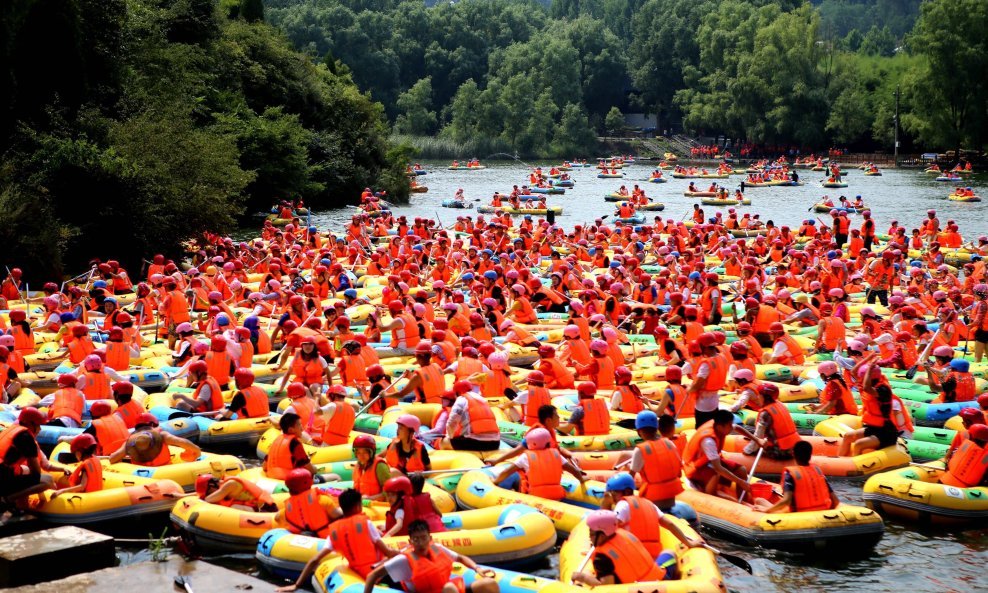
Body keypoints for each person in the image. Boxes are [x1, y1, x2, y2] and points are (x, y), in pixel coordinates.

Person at [275, 488, 398, 592]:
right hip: (378, 575)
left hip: (358, 574)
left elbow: (314, 559)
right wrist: (404, 552)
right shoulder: (366, 523)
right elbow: (388, 553)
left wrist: (296, 585)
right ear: (358, 506)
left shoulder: (334, 532)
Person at [362, 519, 499, 593]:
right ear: (410, 541)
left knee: (489, 584)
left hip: (445, 590)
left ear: (430, 538)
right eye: (416, 539)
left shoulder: (437, 548)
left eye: (423, 538)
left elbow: (460, 558)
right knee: (450, 589)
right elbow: (372, 575)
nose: (420, 543)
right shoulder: (404, 560)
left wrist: (477, 568)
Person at [602, 472, 705, 561]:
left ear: (627, 492)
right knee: (670, 554)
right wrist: (689, 543)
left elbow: (604, 528)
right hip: (651, 559)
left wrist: (605, 504)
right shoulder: (649, 503)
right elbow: (669, 524)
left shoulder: (622, 505)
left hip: (631, 558)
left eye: (614, 494)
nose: (612, 498)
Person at [570, 510, 668, 586]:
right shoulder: (625, 534)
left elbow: (606, 587)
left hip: (636, 589)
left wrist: (582, 577)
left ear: (603, 534)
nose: (589, 537)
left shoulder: (601, 558)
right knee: (669, 553)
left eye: (592, 534)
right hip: (660, 579)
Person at [493, 427, 585, 500]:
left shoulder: (526, 457)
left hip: (536, 497)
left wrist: (495, 482)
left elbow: (506, 472)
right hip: (557, 496)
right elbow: (574, 471)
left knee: (520, 476)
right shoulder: (556, 454)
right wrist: (582, 479)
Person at [0, 408, 61, 511]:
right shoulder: (26, 438)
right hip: (2, 479)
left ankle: (18, 506)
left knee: (25, 471)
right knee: (48, 480)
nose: (40, 429)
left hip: (3, 473)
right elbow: (36, 472)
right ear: (30, 424)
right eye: (38, 425)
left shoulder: (11, 430)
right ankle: (6, 499)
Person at [755, 440, 840, 513]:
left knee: (759, 501)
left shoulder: (790, 474)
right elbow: (835, 500)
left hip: (798, 514)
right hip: (822, 511)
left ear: (793, 454)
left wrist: (766, 511)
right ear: (810, 456)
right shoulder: (818, 472)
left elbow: (786, 501)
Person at [683, 410, 751, 499]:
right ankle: (713, 495)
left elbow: (737, 427)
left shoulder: (720, 425)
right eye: (729, 425)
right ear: (720, 427)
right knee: (716, 474)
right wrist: (740, 482)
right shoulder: (708, 441)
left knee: (741, 470)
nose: (732, 428)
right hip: (695, 467)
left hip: (708, 461)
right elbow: (718, 468)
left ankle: (743, 500)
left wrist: (756, 439)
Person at [627, 411, 684, 512]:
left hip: (653, 500)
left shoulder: (640, 450)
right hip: (671, 497)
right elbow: (678, 471)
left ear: (639, 431)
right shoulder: (670, 444)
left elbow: (629, 480)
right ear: (656, 428)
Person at [735, 383, 801, 459]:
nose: (757, 397)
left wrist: (747, 451)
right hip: (795, 447)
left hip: (782, 451)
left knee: (752, 450)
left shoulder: (765, 413)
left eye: (759, 395)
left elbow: (758, 435)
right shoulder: (780, 404)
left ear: (765, 397)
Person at [108, 413, 201, 466]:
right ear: (152, 425)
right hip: (165, 470)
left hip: (142, 476)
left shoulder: (130, 441)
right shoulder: (161, 435)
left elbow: (113, 459)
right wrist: (197, 450)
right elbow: (181, 442)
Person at [274, 468, 343, 538]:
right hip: (325, 538)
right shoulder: (323, 500)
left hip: (304, 541)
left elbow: (277, 518)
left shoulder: (287, 510)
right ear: (310, 482)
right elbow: (336, 515)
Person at [263, 413, 323, 480]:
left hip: (272, 477)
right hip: (290, 480)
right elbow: (310, 469)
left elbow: (264, 466)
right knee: (334, 476)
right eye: (299, 425)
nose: (302, 429)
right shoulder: (295, 444)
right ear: (291, 430)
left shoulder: (276, 441)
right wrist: (315, 469)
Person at [444, 380, 501, 451]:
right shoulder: (482, 399)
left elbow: (452, 421)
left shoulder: (461, 400)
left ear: (457, 392)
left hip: (473, 443)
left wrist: (449, 436)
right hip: (495, 444)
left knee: (443, 442)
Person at [49, 433, 103, 498]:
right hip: (98, 494)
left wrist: (62, 491)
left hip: (89, 498)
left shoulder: (85, 466)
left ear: (79, 453)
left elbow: (82, 486)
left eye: (75, 453)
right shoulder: (96, 460)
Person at [940, 423, 988, 487]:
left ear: (972, 436)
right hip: (966, 487)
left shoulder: (966, 446)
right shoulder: (968, 446)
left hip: (946, 479)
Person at [195, 474, 277, 512]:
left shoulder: (230, 484)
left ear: (212, 486)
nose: (209, 494)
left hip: (265, 509)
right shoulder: (225, 484)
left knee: (229, 507)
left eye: (208, 492)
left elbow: (208, 499)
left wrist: (200, 499)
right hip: (259, 507)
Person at [352, 434, 390, 500]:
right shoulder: (357, 467)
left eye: (365, 452)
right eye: (358, 452)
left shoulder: (380, 466)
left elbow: (389, 492)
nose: (361, 456)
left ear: (371, 453)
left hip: (378, 506)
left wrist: (370, 498)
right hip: (363, 505)